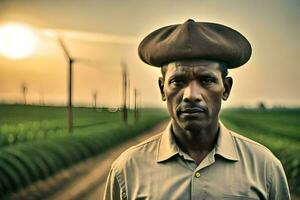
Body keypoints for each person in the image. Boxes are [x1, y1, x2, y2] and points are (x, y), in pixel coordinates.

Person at [103, 19, 290, 200]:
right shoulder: (127, 169)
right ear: (162, 89)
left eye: (207, 80)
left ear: (226, 88)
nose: (191, 95)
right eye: (178, 81)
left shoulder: (264, 166)